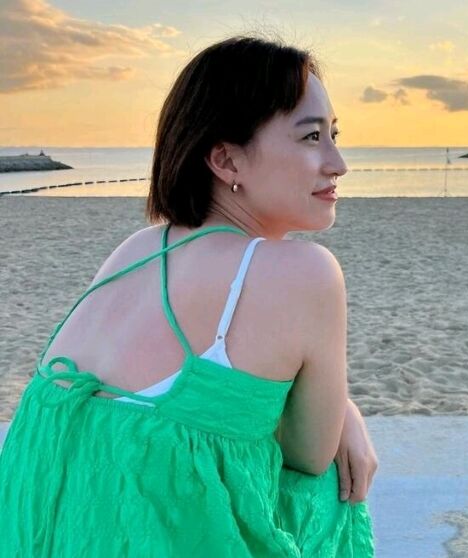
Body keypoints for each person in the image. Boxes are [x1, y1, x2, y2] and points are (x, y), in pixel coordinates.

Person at [0, 36, 375, 557]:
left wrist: (343, 408)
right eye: (312, 137)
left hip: (36, 532)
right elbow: (310, 455)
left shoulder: (139, 247)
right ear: (226, 160)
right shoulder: (304, 271)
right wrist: (342, 414)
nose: (338, 163)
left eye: (334, 135)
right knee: (330, 491)